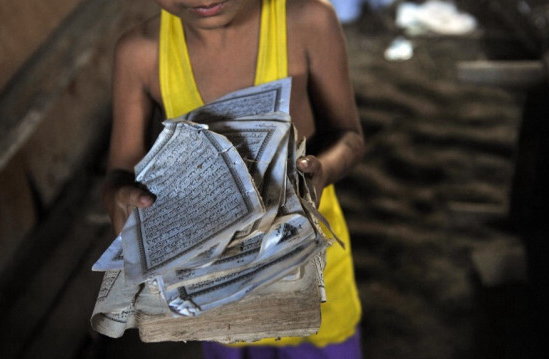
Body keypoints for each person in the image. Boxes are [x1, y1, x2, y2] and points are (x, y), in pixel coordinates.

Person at [102, 0, 366, 357]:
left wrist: (322, 172)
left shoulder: (308, 21)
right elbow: (118, 174)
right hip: (215, 283)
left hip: (314, 262)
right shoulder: (139, 53)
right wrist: (121, 196)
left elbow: (349, 136)